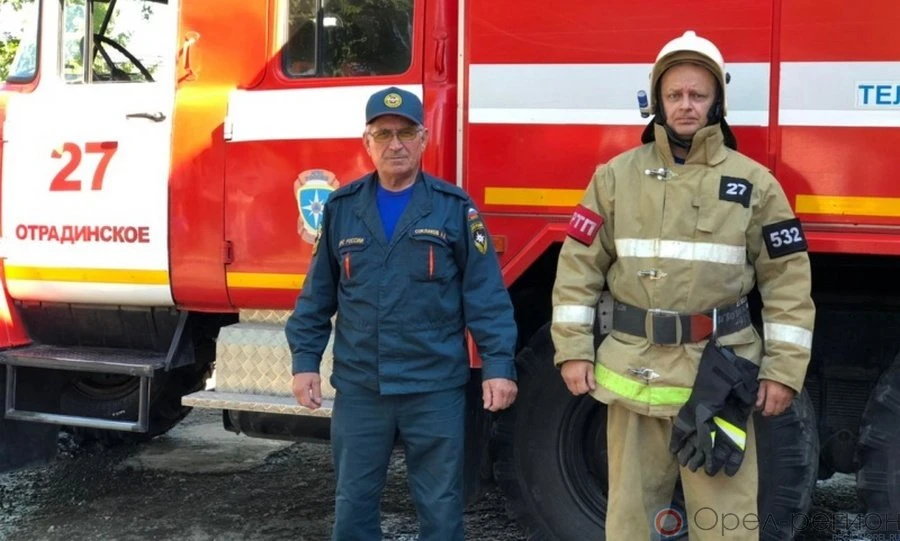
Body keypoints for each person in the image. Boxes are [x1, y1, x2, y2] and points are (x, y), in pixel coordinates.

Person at [550, 31, 815, 540]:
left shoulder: (755, 184)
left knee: (726, 526)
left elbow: (788, 283)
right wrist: (573, 350)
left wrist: (783, 371)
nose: (686, 105)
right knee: (630, 525)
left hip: (719, 382)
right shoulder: (615, 177)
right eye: (674, 95)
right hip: (633, 375)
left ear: (717, 102)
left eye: (697, 94)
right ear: (658, 100)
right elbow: (578, 267)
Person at [285, 86, 518, 541]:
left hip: (434, 387)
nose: (395, 144)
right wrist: (304, 362)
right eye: (383, 133)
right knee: (353, 507)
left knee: (441, 508)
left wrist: (498, 366)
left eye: (406, 133)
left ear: (424, 139)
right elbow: (316, 297)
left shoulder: (453, 209)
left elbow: (486, 295)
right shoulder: (342, 209)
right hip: (361, 387)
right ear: (367, 142)